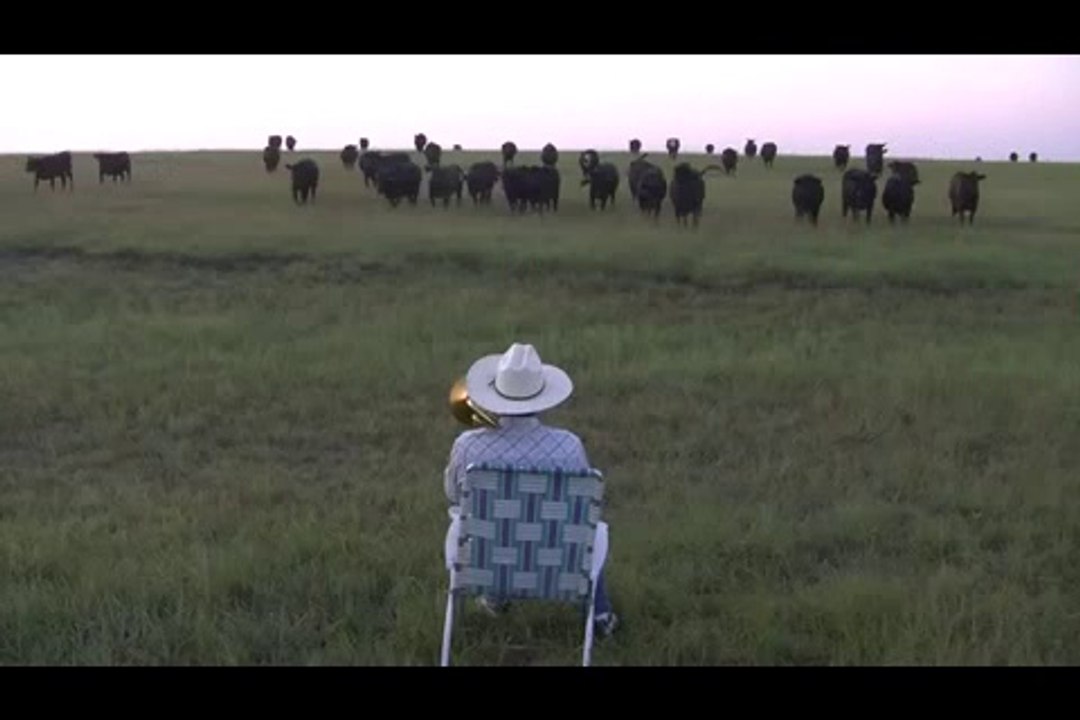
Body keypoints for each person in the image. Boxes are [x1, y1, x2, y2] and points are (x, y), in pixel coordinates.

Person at [443, 342, 618, 637]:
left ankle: (496, 594)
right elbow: (581, 510)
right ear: (542, 397)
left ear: (495, 394)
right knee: (593, 530)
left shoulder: (467, 446)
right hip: (555, 561)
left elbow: (452, 494)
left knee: (480, 521)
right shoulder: (568, 446)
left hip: (487, 559)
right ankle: (599, 614)